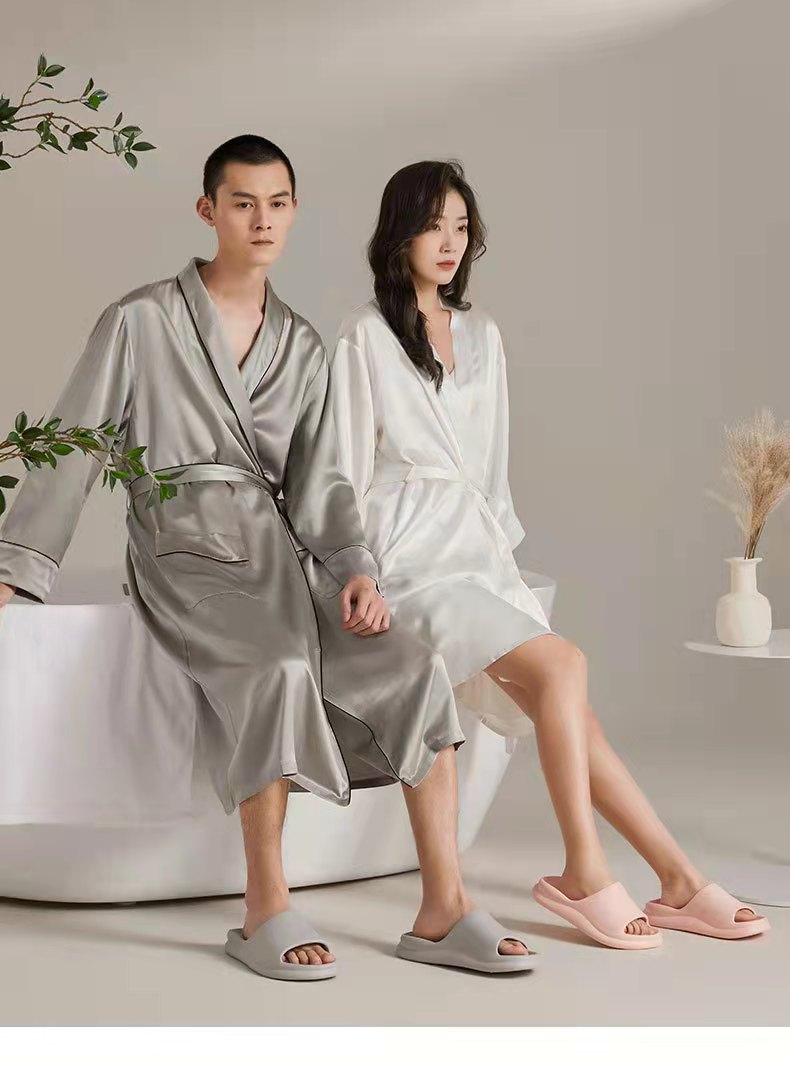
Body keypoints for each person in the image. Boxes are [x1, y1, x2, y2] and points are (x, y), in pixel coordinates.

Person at [0, 137, 517, 982]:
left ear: (294, 211)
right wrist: (18, 566)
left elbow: (321, 485)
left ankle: (444, 906)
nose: (262, 219)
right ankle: (265, 906)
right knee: (276, 666)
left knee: (413, 667)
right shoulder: (141, 320)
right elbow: (76, 439)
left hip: (283, 552)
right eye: (243, 203)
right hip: (184, 548)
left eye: (277, 203)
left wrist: (354, 566)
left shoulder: (301, 345)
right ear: (209, 210)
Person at [327, 158, 770, 959]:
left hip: (477, 557)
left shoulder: (484, 336)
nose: (450, 242)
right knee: (565, 668)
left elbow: (492, 466)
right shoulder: (364, 336)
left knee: (570, 708)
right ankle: (583, 871)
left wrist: (503, 563)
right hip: (410, 564)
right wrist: (356, 570)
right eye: (433, 225)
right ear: (399, 234)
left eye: (462, 227)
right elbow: (345, 470)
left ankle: (676, 878)